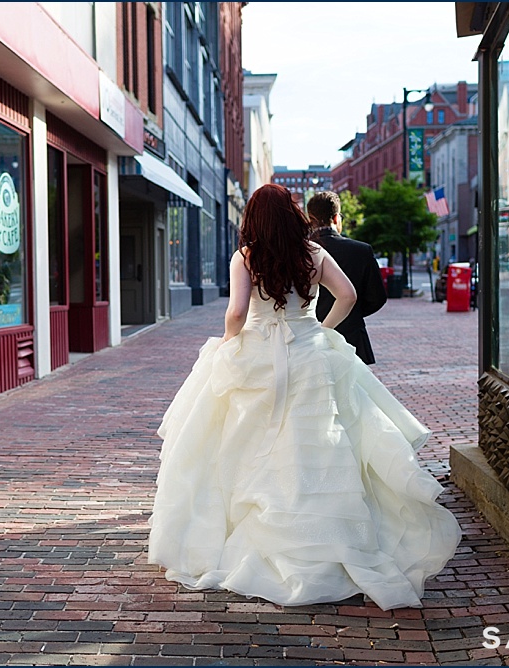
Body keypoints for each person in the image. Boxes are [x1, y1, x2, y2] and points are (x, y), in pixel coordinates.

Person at [147, 184, 462, 610]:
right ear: (294, 214)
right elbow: (348, 295)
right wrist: (322, 329)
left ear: (253, 219)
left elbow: (237, 312)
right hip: (309, 352)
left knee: (246, 440)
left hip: (257, 355)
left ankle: (254, 517)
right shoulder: (313, 253)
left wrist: (227, 342)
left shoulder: (247, 256)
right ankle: (327, 531)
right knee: (315, 439)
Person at [306, 191, 387, 364]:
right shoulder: (361, 250)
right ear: (336, 218)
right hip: (351, 335)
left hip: (308, 335)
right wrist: (353, 312)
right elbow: (377, 297)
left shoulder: (300, 253)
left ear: (310, 219)